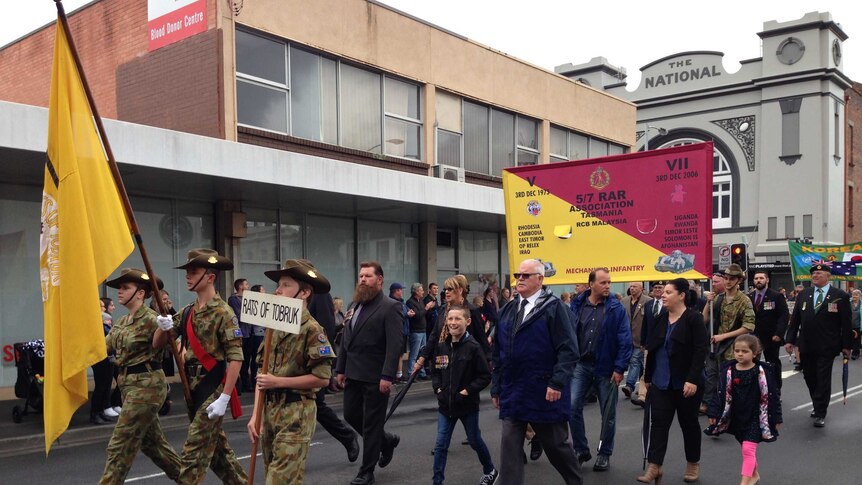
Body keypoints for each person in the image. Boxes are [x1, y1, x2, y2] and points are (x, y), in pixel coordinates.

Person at [153, 248, 247, 485]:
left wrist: (224, 398)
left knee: (193, 456)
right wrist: (162, 326)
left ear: (210, 277)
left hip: (212, 390)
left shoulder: (224, 313)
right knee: (220, 458)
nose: (188, 276)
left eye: (193, 272)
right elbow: (157, 344)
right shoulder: (187, 312)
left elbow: (236, 357)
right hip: (191, 389)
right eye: (187, 272)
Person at [491, 259, 581, 485]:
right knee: (509, 449)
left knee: (557, 447)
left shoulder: (555, 308)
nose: (519, 279)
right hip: (514, 391)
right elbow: (498, 352)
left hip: (544, 390)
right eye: (517, 275)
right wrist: (496, 386)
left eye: (525, 275)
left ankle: (575, 481)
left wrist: (557, 382)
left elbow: (569, 350)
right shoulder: (507, 310)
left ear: (540, 279)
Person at [246, 259, 336, 483]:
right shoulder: (273, 327)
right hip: (270, 411)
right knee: (276, 476)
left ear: (304, 292)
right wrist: (256, 414)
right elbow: (261, 373)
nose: (278, 290)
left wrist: (278, 382)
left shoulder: (313, 329)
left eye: (286, 285)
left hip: (297, 412)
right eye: (279, 285)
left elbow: (322, 378)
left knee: (277, 481)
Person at [99, 269, 181, 484]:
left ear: (141, 293)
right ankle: (189, 479)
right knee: (154, 446)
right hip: (128, 387)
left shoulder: (153, 319)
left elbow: (159, 344)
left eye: (125, 288)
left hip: (147, 386)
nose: (119, 292)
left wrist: (165, 328)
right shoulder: (122, 321)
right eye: (120, 287)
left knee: (120, 443)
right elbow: (103, 348)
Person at [335, 261, 403, 485]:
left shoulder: (390, 306)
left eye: (368, 276)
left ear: (380, 280)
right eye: (361, 276)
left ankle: (366, 472)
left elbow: (395, 345)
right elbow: (347, 338)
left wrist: (388, 376)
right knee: (351, 415)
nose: (362, 279)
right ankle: (387, 440)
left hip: (376, 376)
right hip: (353, 372)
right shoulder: (356, 303)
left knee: (372, 424)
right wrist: (341, 369)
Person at [638, 279, 708, 484]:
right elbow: (652, 348)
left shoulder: (693, 319)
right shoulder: (660, 319)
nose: (663, 295)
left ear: (681, 295)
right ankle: (654, 467)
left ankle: (693, 464)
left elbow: (700, 351)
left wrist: (692, 379)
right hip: (661, 382)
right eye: (663, 292)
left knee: (689, 424)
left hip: (685, 383)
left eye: (668, 292)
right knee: (658, 424)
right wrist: (648, 377)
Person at [568, 268, 632, 471]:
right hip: (581, 365)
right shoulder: (577, 305)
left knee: (608, 414)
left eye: (609, 283)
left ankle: (604, 453)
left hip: (606, 368)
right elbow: (568, 333)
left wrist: (620, 367)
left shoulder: (616, 308)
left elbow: (625, 339)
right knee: (571, 406)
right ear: (591, 284)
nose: (607, 286)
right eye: (603, 282)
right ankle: (581, 450)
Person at [430, 305, 497, 485]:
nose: (453, 323)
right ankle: (437, 481)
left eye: (457, 319)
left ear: (467, 322)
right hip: (446, 407)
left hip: (467, 406)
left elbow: (485, 376)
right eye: (450, 319)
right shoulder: (441, 347)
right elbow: (435, 371)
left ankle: (490, 470)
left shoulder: (473, 347)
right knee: (440, 446)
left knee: (474, 440)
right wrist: (438, 389)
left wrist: (466, 391)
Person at [302, 261, 361, 465]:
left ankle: (347, 436)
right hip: (291, 365)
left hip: (311, 362)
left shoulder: (320, 295)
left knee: (317, 405)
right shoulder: (289, 296)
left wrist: (328, 368)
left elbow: (325, 330)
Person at [706, 334, 782, 485]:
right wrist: (713, 412)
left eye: (745, 351)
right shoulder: (728, 370)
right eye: (737, 350)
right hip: (736, 416)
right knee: (746, 447)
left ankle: (744, 482)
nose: (740, 354)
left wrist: (777, 417)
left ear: (754, 353)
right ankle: (754, 475)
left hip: (756, 416)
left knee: (748, 449)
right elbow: (718, 393)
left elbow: (773, 396)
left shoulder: (762, 371)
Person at [784, 263, 852, 427]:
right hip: (806, 344)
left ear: (828, 276)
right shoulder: (804, 294)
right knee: (810, 377)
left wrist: (847, 346)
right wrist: (789, 340)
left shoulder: (839, 295)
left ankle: (820, 411)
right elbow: (795, 320)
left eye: (819, 274)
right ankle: (817, 402)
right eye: (813, 273)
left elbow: (846, 323)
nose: (815, 276)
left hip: (827, 345)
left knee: (822, 379)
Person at [417, 275, 491, 373]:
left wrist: (487, 361)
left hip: (464, 364)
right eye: (445, 289)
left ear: (460, 290)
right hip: (442, 361)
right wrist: (422, 358)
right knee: (442, 386)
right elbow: (434, 335)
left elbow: (481, 338)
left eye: (450, 289)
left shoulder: (471, 310)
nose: (446, 292)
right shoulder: (443, 310)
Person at [749, 271, 789, 389]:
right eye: (756, 278)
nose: (758, 280)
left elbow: (784, 316)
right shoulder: (749, 296)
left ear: (767, 280)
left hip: (771, 336)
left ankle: (776, 390)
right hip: (753, 336)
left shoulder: (776, 296)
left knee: (772, 364)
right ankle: (755, 389)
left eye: (761, 278)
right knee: (752, 363)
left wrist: (779, 333)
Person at [634, 281, 666, 407]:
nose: (657, 289)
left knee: (661, 369)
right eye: (655, 287)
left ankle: (661, 395)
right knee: (647, 370)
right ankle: (642, 397)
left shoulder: (669, 304)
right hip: (650, 344)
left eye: (660, 287)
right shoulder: (648, 305)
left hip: (664, 343)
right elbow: (645, 325)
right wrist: (643, 342)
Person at [701, 272, 727, 413]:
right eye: (713, 282)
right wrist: (708, 302)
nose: (714, 284)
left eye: (716, 282)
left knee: (723, 374)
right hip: (712, 341)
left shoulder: (730, 297)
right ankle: (707, 403)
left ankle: (723, 403)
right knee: (711, 374)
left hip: (726, 342)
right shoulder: (713, 298)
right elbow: (704, 319)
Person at [622, 282, 650, 400]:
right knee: (635, 362)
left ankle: (629, 385)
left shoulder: (648, 301)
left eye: (635, 287)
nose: (632, 289)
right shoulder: (624, 301)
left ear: (641, 289)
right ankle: (641, 386)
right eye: (631, 287)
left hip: (640, 338)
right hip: (627, 338)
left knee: (635, 360)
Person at [91, 299, 116, 425]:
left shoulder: (105, 319)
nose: (104, 309)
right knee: (100, 386)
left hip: (108, 356)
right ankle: (95, 413)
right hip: (99, 357)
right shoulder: (95, 321)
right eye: (101, 306)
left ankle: (101, 411)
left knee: (106, 384)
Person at [228, 278, 255, 393]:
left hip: (248, 332)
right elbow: (239, 315)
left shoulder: (248, 299)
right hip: (240, 333)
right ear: (240, 286)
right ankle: (237, 385)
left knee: (247, 359)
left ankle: (246, 383)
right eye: (246, 284)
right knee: (239, 359)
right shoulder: (234, 299)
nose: (248, 286)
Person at [406, 283, 430, 381]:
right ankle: (411, 374)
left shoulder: (420, 301)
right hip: (415, 331)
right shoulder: (410, 302)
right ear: (416, 291)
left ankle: (421, 372)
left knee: (422, 353)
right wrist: (426, 308)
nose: (423, 292)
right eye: (421, 290)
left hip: (423, 330)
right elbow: (418, 315)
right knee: (414, 354)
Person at [389, 282, 411, 382]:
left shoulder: (401, 302)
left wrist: (409, 312)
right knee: (395, 354)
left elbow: (405, 311)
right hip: (397, 332)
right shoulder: (392, 303)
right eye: (400, 290)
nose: (401, 292)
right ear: (395, 291)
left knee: (401, 354)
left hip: (404, 331)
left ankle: (399, 374)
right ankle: (392, 375)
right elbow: (397, 315)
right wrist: (407, 314)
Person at [851, 289, 861, 360]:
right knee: (848, 339)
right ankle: (847, 352)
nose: (854, 296)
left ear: (860, 296)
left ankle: (855, 353)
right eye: (853, 294)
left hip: (858, 325)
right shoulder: (848, 302)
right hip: (849, 325)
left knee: (857, 340)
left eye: (856, 295)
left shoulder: (861, 304)